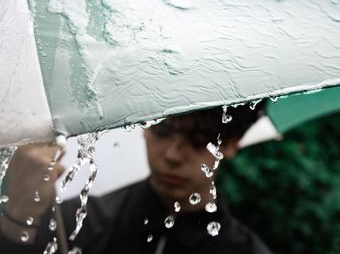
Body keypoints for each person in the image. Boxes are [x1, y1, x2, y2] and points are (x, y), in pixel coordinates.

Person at [0, 103, 273, 254]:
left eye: (197, 139)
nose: (172, 155)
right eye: (162, 132)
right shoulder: (78, 223)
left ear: (231, 143)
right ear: (145, 128)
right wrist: (19, 216)